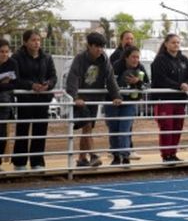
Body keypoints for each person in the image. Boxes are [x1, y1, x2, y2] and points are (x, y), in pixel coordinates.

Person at [66, 32, 122, 168]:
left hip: (94, 98)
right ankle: (93, 155)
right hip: (81, 100)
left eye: (102, 47)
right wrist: (75, 97)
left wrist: (116, 95)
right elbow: (73, 77)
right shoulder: (80, 58)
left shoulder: (104, 59)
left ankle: (82, 158)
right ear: (89, 46)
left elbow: (110, 78)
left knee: (88, 128)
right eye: (96, 46)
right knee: (87, 126)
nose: (99, 49)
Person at [12, 29, 56, 171]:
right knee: (22, 129)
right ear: (25, 42)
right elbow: (15, 79)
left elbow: (53, 76)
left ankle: (37, 162)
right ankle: (19, 162)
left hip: (42, 99)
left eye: (38, 40)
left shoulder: (47, 57)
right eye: (33, 40)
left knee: (40, 130)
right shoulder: (17, 57)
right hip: (25, 99)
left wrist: (48, 85)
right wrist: (31, 85)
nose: (37, 43)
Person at [151, 34, 188, 162]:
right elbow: (161, 79)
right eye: (173, 42)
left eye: (178, 42)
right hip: (164, 99)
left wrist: (186, 84)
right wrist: (179, 85)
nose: (176, 45)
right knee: (166, 127)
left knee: (177, 127)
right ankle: (166, 155)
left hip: (180, 100)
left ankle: (173, 153)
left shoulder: (184, 60)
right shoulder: (159, 60)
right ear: (166, 44)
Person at [108, 45, 148, 165]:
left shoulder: (141, 68)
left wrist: (138, 82)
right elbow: (109, 82)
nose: (136, 60)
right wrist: (116, 96)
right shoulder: (116, 66)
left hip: (129, 102)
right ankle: (116, 156)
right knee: (114, 129)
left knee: (125, 128)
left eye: (137, 57)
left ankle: (125, 156)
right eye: (133, 57)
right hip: (113, 102)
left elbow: (147, 85)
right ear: (126, 57)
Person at [0, 38, 18, 169]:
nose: (5, 54)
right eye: (2, 52)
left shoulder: (12, 63)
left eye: (7, 52)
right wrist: (5, 82)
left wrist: (4, 85)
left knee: (2, 134)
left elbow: (15, 83)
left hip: (5, 103)